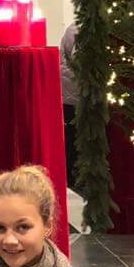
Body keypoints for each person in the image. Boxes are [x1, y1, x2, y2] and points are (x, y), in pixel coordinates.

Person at [59, 21, 78, 190]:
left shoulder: (75, 27)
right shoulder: (77, 29)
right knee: (73, 137)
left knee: (72, 136)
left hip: (71, 92)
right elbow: (79, 59)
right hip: (74, 94)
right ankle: (73, 179)